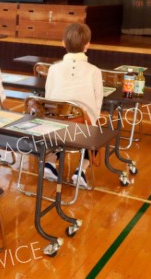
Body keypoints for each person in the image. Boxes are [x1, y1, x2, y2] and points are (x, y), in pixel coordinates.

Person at [45, 23, 103, 187]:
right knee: (96, 130)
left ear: (63, 43)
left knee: (58, 120)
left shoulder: (54, 69)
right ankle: (81, 171)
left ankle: (50, 162)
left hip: (55, 128)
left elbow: (49, 98)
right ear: (87, 45)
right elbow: (97, 105)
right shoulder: (94, 71)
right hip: (81, 130)